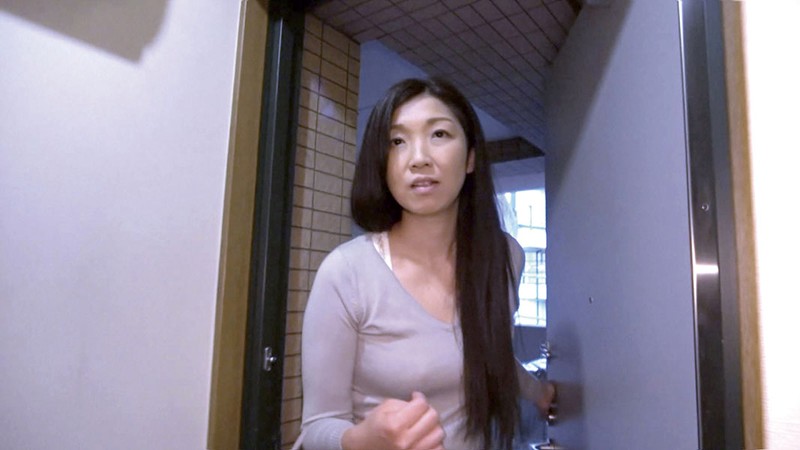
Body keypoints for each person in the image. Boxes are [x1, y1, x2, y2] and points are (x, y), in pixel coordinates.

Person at [295, 77, 555, 450]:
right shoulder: (346, 273)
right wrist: (361, 440)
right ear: (382, 164)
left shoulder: (505, 256)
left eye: (439, 134)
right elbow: (317, 428)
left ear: (470, 158)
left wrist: (539, 392)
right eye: (397, 141)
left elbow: (490, 353)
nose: (419, 158)